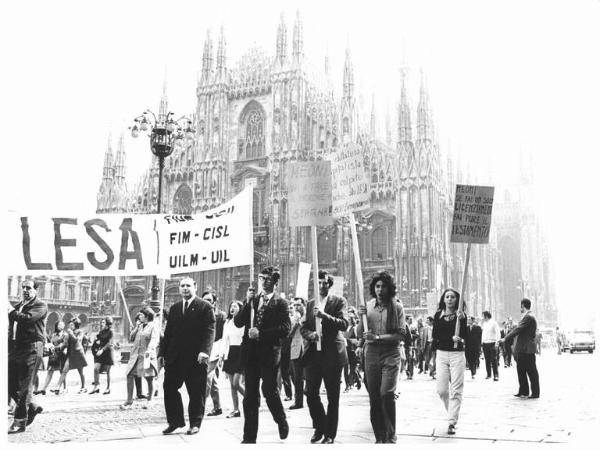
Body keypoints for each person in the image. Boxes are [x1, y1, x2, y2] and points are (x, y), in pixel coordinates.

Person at [234, 266, 291, 444]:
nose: (264, 282)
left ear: (275, 283)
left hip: (269, 354)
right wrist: (246, 301)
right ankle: (249, 437)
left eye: (267, 279)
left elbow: (285, 329)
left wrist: (261, 333)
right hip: (251, 354)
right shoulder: (253, 300)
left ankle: (281, 419)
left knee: (269, 391)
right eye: (261, 278)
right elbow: (238, 322)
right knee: (250, 396)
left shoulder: (280, 303)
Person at [161, 277, 216, 435]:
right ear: (179, 288)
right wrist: (162, 353)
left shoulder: (205, 307)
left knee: (196, 392)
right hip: (175, 358)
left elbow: (209, 331)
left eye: (188, 285)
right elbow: (168, 333)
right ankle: (176, 421)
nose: (185, 288)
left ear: (195, 287)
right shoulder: (175, 308)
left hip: (196, 358)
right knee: (169, 388)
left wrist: (205, 351)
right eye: (182, 286)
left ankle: (195, 423)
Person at [356, 270, 406, 444]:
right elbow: (360, 333)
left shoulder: (397, 307)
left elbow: (401, 335)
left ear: (389, 288)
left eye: (383, 286)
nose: (380, 290)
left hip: (391, 354)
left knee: (386, 393)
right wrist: (359, 317)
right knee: (374, 397)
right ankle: (379, 436)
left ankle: (391, 434)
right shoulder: (368, 306)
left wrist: (377, 337)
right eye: (377, 286)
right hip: (371, 355)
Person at [301, 270, 349, 444]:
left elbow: (344, 324)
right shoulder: (310, 303)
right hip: (314, 354)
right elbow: (303, 327)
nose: (321, 285)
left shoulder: (339, 302)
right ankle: (320, 426)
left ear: (330, 284)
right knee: (310, 393)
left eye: (325, 283)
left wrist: (324, 316)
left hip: (332, 354)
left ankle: (330, 433)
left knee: (332, 396)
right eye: (319, 282)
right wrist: (311, 335)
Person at [8, 279, 48, 433]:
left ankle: (19, 422)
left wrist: (10, 311)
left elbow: (27, 319)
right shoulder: (18, 307)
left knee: (25, 385)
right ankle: (32, 407)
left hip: (32, 347)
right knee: (8, 382)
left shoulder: (40, 305)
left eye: (29, 288)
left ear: (36, 290)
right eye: (23, 287)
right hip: (16, 348)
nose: (25, 290)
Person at [432, 288, 467, 435]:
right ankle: (451, 412)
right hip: (441, 353)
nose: (450, 299)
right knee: (442, 390)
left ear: (457, 300)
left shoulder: (461, 317)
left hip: (457, 354)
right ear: (444, 299)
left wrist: (463, 320)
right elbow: (436, 335)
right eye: (447, 297)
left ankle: (452, 422)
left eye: (453, 297)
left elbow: (466, 336)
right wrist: (449, 339)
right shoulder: (438, 316)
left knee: (456, 389)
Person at [499, 298, 540, 399]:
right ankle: (523, 391)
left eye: (520, 306)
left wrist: (505, 338)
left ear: (523, 306)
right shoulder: (528, 317)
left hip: (526, 349)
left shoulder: (528, 317)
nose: (520, 308)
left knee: (531, 371)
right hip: (523, 348)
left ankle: (535, 393)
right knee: (521, 370)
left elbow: (518, 329)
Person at [121, 307, 159, 409]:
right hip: (135, 356)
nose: (139, 316)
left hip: (146, 356)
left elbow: (154, 340)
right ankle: (129, 400)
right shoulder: (140, 326)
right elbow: (131, 338)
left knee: (149, 377)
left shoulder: (153, 327)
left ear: (147, 316)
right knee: (129, 375)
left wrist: (149, 350)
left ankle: (150, 400)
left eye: (141, 315)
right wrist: (136, 328)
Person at [204, 290, 226, 417]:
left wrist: (221, 354)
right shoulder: (200, 314)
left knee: (206, 376)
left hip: (216, 349)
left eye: (209, 300)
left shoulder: (220, 316)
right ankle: (217, 407)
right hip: (204, 350)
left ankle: (201, 404)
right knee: (212, 380)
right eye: (204, 300)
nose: (206, 303)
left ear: (214, 302)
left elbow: (223, 335)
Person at [222, 300, 245, 418]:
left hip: (241, 352)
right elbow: (224, 340)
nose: (232, 309)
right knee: (232, 385)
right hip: (230, 353)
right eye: (231, 306)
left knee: (237, 383)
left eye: (235, 307)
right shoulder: (227, 323)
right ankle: (236, 409)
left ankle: (250, 400)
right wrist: (222, 355)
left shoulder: (244, 323)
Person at [54, 318, 88, 394]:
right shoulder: (68, 333)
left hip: (78, 353)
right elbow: (65, 343)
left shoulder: (80, 332)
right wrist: (59, 346)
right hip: (71, 354)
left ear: (76, 324)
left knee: (80, 371)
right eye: (70, 325)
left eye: (72, 324)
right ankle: (58, 387)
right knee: (64, 370)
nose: (70, 326)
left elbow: (77, 340)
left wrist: (71, 334)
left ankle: (83, 387)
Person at [35, 321, 68, 395]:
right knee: (50, 372)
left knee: (62, 372)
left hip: (61, 355)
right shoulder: (53, 335)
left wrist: (54, 348)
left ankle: (64, 388)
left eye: (62, 324)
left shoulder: (65, 335)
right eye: (59, 324)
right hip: (53, 356)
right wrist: (50, 347)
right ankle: (43, 389)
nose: (60, 326)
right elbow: (50, 343)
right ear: (56, 326)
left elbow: (64, 345)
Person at [289, 297, 306, 409]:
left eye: (298, 304)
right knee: (294, 375)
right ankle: (298, 397)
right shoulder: (294, 317)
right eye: (294, 305)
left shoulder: (306, 316)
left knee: (299, 376)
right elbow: (289, 331)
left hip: (305, 347)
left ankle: (299, 401)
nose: (296, 307)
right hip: (295, 348)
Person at [90, 316, 114, 395]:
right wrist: (96, 341)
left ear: (108, 323)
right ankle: (96, 387)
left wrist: (102, 350)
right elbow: (99, 340)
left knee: (108, 371)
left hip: (107, 353)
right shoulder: (101, 332)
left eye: (103, 322)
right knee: (96, 368)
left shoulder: (111, 331)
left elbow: (110, 343)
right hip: (101, 353)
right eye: (102, 322)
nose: (102, 324)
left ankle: (108, 388)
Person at [279, 300, 295, 402]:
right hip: (282, 348)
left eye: (291, 308)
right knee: (284, 372)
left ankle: (298, 392)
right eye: (288, 308)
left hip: (292, 348)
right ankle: (288, 394)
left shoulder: (295, 319)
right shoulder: (281, 319)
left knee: (293, 372)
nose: (289, 310)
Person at [343, 309, 361, 392]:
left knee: (353, 368)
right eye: (347, 319)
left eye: (350, 319)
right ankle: (348, 385)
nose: (348, 320)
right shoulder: (344, 328)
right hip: (345, 350)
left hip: (352, 350)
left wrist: (350, 340)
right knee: (346, 368)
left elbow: (358, 340)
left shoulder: (354, 328)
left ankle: (354, 381)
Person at [481, 311, 500, 381]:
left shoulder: (494, 323)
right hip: (485, 344)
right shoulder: (484, 324)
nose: (482, 318)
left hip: (492, 343)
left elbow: (498, 333)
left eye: (483, 316)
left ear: (486, 316)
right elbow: (483, 334)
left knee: (494, 360)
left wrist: (497, 343)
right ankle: (489, 374)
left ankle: (496, 375)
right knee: (487, 360)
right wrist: (482, 343)